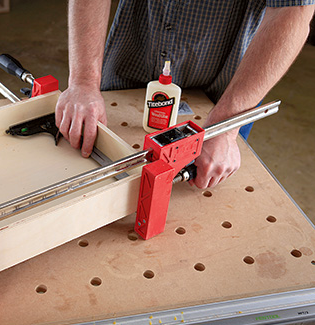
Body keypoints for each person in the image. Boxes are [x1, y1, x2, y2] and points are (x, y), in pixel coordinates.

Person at [55, 0, 315, 189]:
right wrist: (83, 80)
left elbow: (293, 10)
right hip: (130, 61)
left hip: (224, 91)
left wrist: (224, 128)